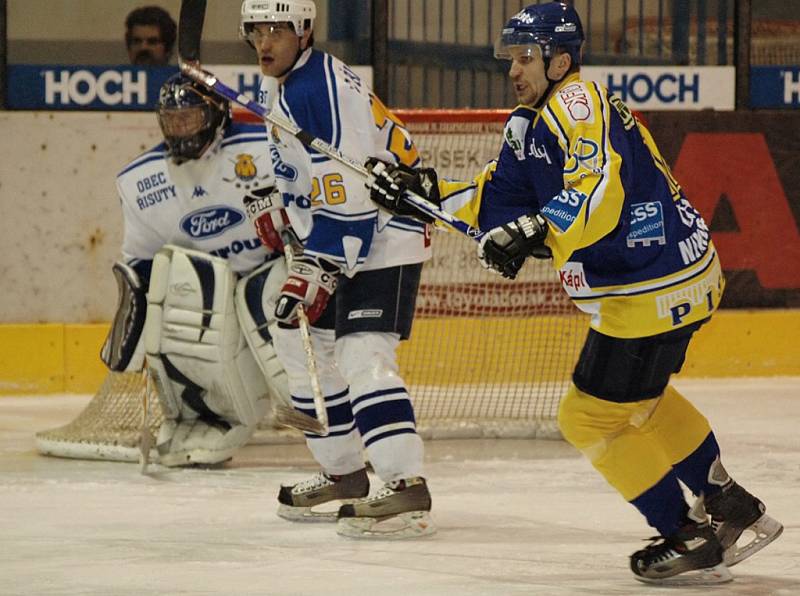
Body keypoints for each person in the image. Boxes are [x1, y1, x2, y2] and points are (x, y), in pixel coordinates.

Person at [365, 0, 782, 582]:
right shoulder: (528, 121)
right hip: (676, 276)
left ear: (561, 61)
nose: (514, 69)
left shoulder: (576, 103)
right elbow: (495, 200)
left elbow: (598, 188)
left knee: (587, 418)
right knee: (641, 399)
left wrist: (537, 228)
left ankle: (685, 535)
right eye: (511, 57)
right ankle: (729, 503)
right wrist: (421, 195)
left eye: (526, 57)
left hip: (647, 289)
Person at [239, 0, 435, 539]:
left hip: (385, 230)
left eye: (277, 29)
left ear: (303, 31)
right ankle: (345, 472)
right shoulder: (282, 83)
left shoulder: (318, 88)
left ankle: (404, 484)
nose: (265, 41)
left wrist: (319, 266)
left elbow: (352, 194)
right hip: (343, 229)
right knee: (298, 340)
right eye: (257, 30)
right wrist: (284, 207)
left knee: (360, 350)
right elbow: (307, 173)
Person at [105, 72, 290, 467]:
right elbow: (141, 265)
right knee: (182, 286)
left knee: (271, 304)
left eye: (190, 120)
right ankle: (207, 417)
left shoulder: (268, 149)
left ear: (217, 115)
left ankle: (340, 415)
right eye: (173, 122)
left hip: (272, 272)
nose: (181, 131)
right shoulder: (140, 181)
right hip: (213, 294)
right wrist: (132, 325)